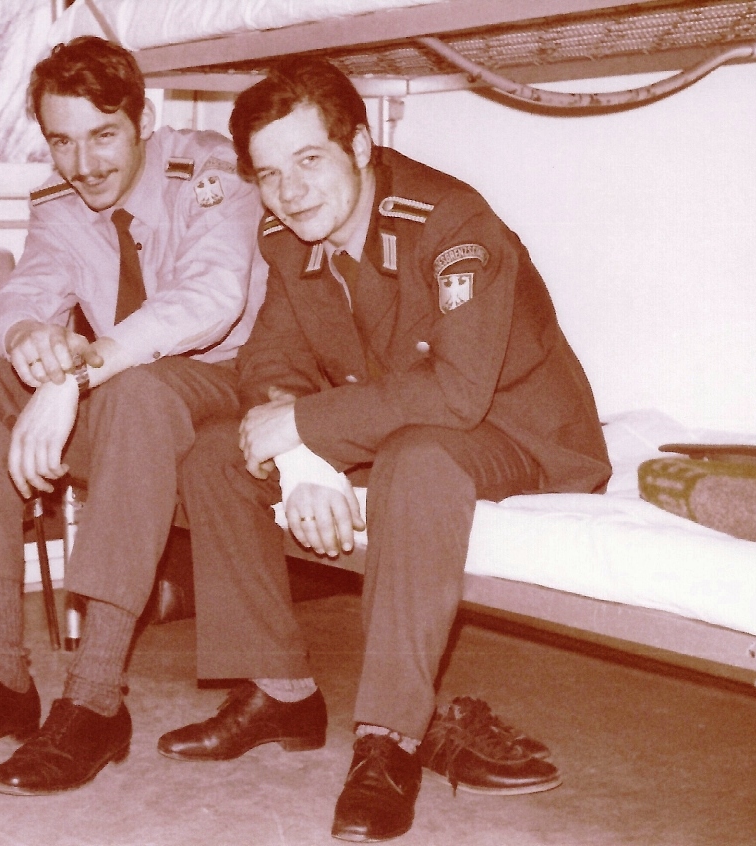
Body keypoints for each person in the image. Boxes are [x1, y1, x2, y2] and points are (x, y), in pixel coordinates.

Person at [158, 57, 611, 842]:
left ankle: (388, 738)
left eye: (308, 160)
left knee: (417, 460)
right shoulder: (286, 236)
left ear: (360, 147)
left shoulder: (450, 224)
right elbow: (270, 361)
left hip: (518, 432)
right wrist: (303, 461)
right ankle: (279, 693)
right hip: (398, 419)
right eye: (269, 174)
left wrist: (308, 427)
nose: (289, 191)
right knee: (216, 453)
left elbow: (456, 394)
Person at [0, 36, 267, 796]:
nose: (83, 162)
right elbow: (21, 296)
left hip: (223, 379)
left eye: (102, 136)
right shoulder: (61, 203)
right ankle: (2, 676)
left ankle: (96, 698)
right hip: (122, 381)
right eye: (62, 141)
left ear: (143, 121)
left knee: (135, 392)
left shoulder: (209, 170)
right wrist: (32, 341)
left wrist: (81, 371)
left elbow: (211, 297)